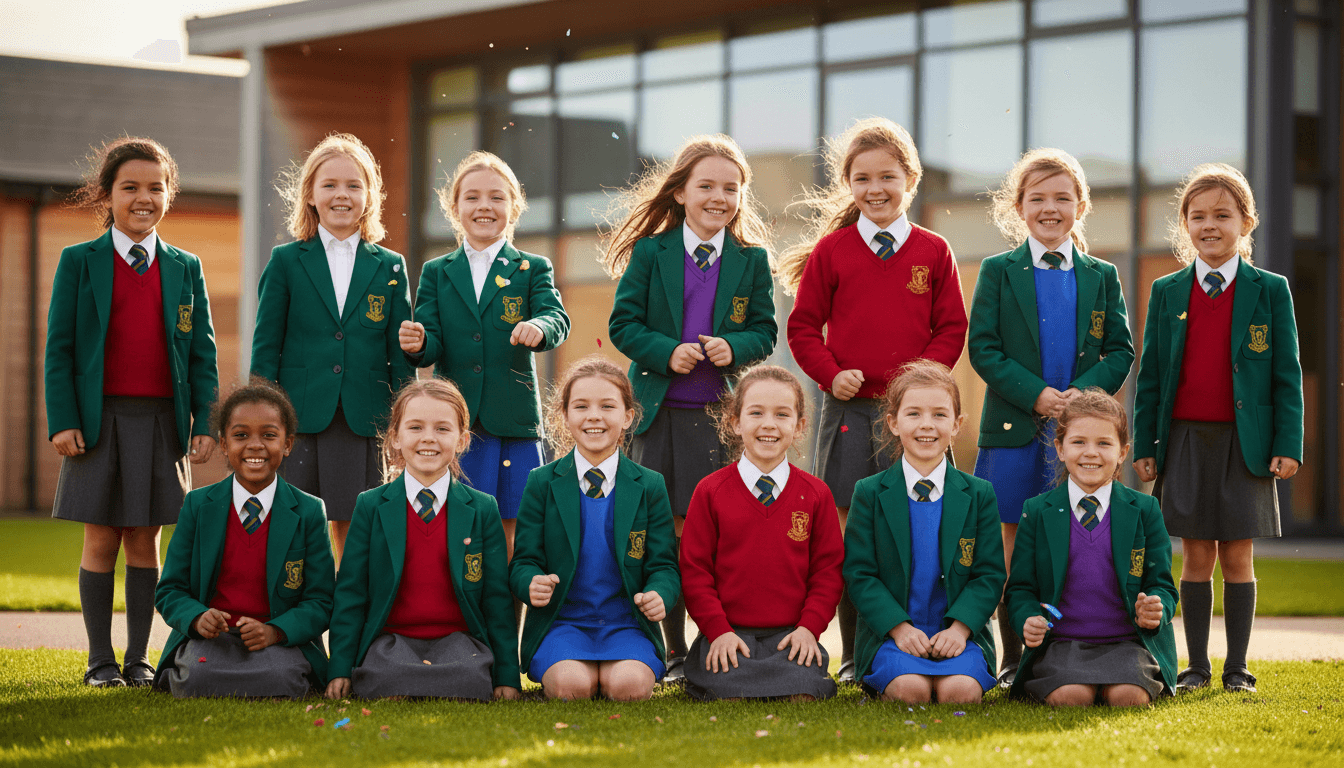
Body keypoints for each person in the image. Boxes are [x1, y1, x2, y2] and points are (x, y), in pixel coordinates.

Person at [782, 117, 968, 682]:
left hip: (917, 419)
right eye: (862, 178)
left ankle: (937, 639)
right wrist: (829, 374)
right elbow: (804, 328)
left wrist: (919, 384)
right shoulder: (832, 251)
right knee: (847, 533)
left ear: (909, 179)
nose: (876, 189)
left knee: (924, 524)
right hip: (848, 412)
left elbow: (951, 327)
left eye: (888, 176)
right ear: (849, 185)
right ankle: (857, 658)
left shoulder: (934, 251)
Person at [46, 136, 219, 687]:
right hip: (98, 422)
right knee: (101, 537)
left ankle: (139, 659)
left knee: (146, 540)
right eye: (130, 188)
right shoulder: (79, 261)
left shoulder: (186, 267)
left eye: (155, 187)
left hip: (163, 423)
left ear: (169, 194)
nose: (143, 198)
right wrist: (63, 419)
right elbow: (61, 349)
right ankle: (100, 661)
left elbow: (202, 354)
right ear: (108, 195)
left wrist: (205, 423)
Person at [603, 135, 776, 681]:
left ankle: (714, 643)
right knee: (660, 533)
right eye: (706, 186)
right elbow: (622, 325)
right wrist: (665, 351)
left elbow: (765, 330)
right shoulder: (652, 254)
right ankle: (669, 647)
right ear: (680, 193)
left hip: (719, 422)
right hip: (657, 416)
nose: (718, 197)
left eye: (731, 187)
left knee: (711, 534)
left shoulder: (752, 260)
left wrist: (736, 347)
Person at [1132, 163, 1303, 694]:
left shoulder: (1270, 290)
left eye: (1223, 215)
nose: (1210, 225)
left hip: (1245, 444)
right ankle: (1197, 667)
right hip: (1183, 440)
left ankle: (1237, 669)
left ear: (1246, 222)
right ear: (1185, 223)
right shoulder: (1166, 291)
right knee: (1196, 554)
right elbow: (1152, 374)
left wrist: (1287, 443)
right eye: (1198, 215)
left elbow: (1286, 373)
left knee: (1237, 555)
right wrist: (1145, 445)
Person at [969, 148, 1134, 687]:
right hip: (1015, 431)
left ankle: (1069, 650)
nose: (1050, 208)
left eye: (1063, 198)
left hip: (1080, 432)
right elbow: (985, 349)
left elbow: (1120, 350)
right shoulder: (998, 271)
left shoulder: (1102, 275)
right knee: (1015, 546)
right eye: (1037, 197)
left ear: (1081, 206)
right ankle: (1017, 659)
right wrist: (1039, 396)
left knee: (1070, 541)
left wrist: (1081, 398)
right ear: (1019, 207)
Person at [252, 133, 414, 562]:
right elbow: (266, 349)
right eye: (329, 185)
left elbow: (400, 358)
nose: (342, 194)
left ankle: (350, 625)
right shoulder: (286, 261)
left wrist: (404, 422)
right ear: (309, 195)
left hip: (365, 419)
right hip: (298, 418)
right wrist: (263, 420)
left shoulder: (391, 266)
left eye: (353, 185)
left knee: (356, 528)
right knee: (295, 529)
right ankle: (298, 624)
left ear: (370, 196)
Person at [399, 151, 569, 555]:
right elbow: (431, 340)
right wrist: (420, 343)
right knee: (461, 525)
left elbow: (555, 317)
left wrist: (539, 326)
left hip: (513, 421)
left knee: (514, 531)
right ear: (454, 208)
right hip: (456, 424)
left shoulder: (532, 267)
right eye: (472, 197)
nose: (484, 206)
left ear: (514, 207)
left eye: (497, 197)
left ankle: (507, 619)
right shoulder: (437, 271)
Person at [326, 379, 521, 700]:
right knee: (384, 674)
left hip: (459, 642)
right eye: (415, 427)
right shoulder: (371, 506)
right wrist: (340, 669)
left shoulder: (483, 509)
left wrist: (506, 677)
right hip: (391, 641)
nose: (428, 438)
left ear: (461, 440)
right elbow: (351, 595)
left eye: (442, 429)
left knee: (469, 678)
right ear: (395, 437)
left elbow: (496, 601)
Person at [510, 356, 679, 700]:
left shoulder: (650, 485)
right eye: (581, 406)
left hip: (627, 624)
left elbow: (664, 565)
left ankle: (618, 669)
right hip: (563, 623)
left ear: (628, 416)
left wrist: (661, 594)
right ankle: (573, 667)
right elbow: (523, 561)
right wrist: (531, 582)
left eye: (607, 406)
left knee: (628, 687)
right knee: (572, 687)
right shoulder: (542, 482)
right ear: (566, 415)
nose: (594, 416)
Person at [154, 379, 333, 697]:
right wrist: (197, 618)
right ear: (223, 444)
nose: (255, 445)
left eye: (269, 435)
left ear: (287, 443)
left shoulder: (308, 510)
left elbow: (320, 600)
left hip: (277, 641)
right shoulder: (198, 505)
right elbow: (170, 590)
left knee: (281, 679)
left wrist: (275, 631)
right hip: (213, 641)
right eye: (241, 435)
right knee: (197, 677)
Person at [680, 365, 843, 701]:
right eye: (756, 413)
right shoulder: (710, 491)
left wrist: (808, 629)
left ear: (798, 427)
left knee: (801, 691)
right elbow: (695, 572)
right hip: (728, 635)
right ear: (735, 422)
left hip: (790, 637)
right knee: (731, 690)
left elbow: (827, 573)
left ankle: (792, 674)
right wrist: (718, 631)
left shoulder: (816, 494)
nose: (769, 424)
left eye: (782, 414)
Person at [844, 360, 1004, 704]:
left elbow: (989, 575)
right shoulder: (869, 493)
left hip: (959, 635)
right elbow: (859, 574)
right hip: (893, 635)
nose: (926, 425)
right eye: (913, 414)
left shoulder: (979, 494)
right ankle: (891, 672)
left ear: (957, 424)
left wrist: (960, 629)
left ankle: (962, 660)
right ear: (893, 422)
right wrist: (899, 628)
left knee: (959, 693)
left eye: (939, 415)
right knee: (909, 691)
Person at [1007, 389, 1177, 706]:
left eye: (1104, 443)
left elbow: (1162, 585)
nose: (1091, 453)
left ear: (1123, 451)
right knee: (1071, 697)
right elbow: (1020, 588)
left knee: (1129, 697)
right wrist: (1028, 618)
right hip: (1062, 642)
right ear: (1059, 448)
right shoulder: (1037, 510)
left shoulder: (1145, 510)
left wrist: (1157, 607)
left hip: (1127, 642)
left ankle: (1128, 678)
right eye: (1078, 442)